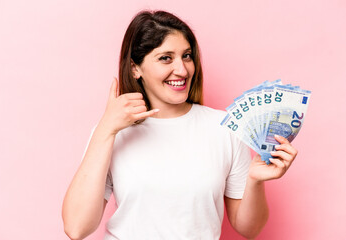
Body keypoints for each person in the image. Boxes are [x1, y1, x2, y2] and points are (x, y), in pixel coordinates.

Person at [62, 10, 298, 240]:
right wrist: (106, 129)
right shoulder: (111, 133)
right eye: (165, 58)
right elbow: (76, 228)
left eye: (186, 56)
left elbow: (250, 229)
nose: (182, 70)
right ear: (135, 68)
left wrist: (255, 180)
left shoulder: (224, 128)